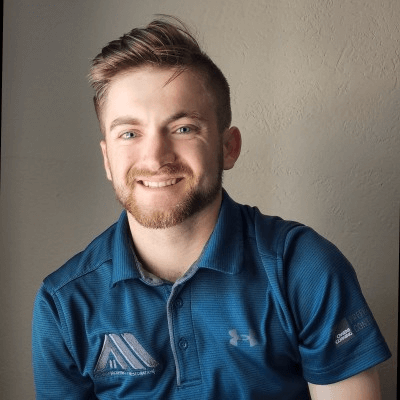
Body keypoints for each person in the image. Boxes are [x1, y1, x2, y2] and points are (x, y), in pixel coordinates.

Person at [32, 16, 391, 399]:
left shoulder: (304, 268)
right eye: (130, 133)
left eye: (183, 128)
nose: (155, 158)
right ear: (107, 159)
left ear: (228, 147)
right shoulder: (64, 302)